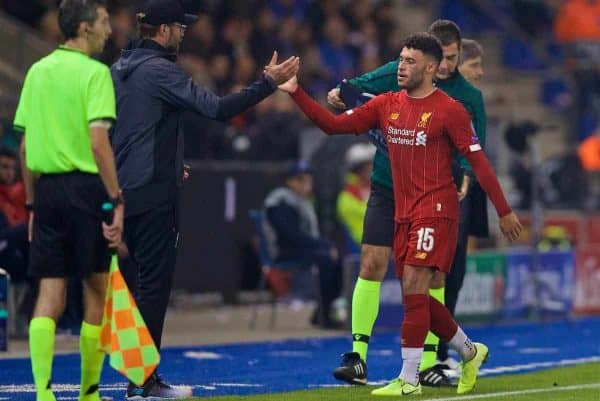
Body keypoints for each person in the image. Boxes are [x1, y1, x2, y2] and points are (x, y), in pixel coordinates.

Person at [277, 33, 522, 396]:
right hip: (405, 212)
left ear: (430, 67)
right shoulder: (387, 105)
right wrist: (296, 91)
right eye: (401, 59)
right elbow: (333, 126)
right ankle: (470, 351)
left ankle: (408, 380)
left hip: (437, 211)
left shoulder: (451, 110)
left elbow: (480, 164)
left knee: (412, 287)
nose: (401, 67)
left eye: (409, 61)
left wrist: (504, 212)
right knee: (416, 296)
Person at [109, 0, 299, 398]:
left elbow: (132, 129)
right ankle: (142, 382)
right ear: (163, 30)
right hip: (154, 191)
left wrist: (169, 161)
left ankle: (134, 378)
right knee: (153, 288)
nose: (183, 34)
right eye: (180, 27)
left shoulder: (118, 69)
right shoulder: (160, 70)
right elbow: (216, 108)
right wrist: (266, 83)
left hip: (123, 188)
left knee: (129, 286)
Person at [326, 20, 488, 387]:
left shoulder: (466, 97)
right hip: (388, 185)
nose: (446, 65)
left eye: (451, 58)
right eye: (441, 57)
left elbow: (477, 149)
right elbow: (364, 84)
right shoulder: (404, 72)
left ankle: (430, 361)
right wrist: (342, 91)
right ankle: (357, 357)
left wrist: (466, 175)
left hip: (436, 193)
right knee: (371, 261)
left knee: (432, 275)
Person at [13, 1, 123, 401]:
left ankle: (43, 393)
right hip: (86, 190)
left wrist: (30, 204)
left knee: (50, 292)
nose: (110, 30)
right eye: (104, 22)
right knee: (97, 288)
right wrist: (115, 198)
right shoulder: (96, 74)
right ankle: (88, 393)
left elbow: (25, 148)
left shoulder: (37, 71)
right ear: (84, 27)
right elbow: (98, 143)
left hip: (46, 194)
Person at [262, 161, 342, 328]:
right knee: (326, 260)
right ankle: (323, 316)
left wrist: (324, 245)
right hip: (283, 251)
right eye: (301, 180)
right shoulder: (280, 202)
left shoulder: (302, 202)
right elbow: (290, 236)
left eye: (308, 180)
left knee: (337, 260)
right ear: (290, 181)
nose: (307, 185)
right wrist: (323, 246)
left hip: (299, 248)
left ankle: (322, 311)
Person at [337, 143, 375, 247]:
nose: (373, 170)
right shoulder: (347, 197)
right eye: (368, 167)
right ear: (358, 170)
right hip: (360, 251)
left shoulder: (381, 191)